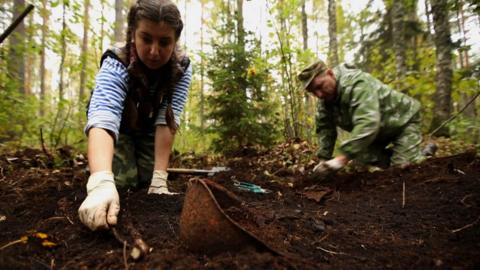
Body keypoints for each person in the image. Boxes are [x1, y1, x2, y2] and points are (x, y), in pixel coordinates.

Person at [78, 0, 192, 231]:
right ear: (133, 34)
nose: (154, 51)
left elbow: (167, 120)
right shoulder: (116, 61)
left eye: (164, 42)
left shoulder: (181, 68)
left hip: (149, 127)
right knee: (122, 182)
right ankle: (98, 166)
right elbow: (103, 115)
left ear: (175, 40)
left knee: (148, 179)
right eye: (146, 39)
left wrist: (159, 179)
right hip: (119, 129)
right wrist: (100, 181)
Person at [297, 60, 426, 177]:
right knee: (361, 164)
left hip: (404, 122)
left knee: (401, 169)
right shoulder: (325, 102)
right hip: (378, 133)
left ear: (330, 74)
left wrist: (341, 159)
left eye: (320, 86)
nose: (318, 94)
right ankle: (409, 152)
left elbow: (368, 122)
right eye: (313, 92)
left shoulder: (356, 83)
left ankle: (420, 155)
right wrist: (323, 160)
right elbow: (325, 129)